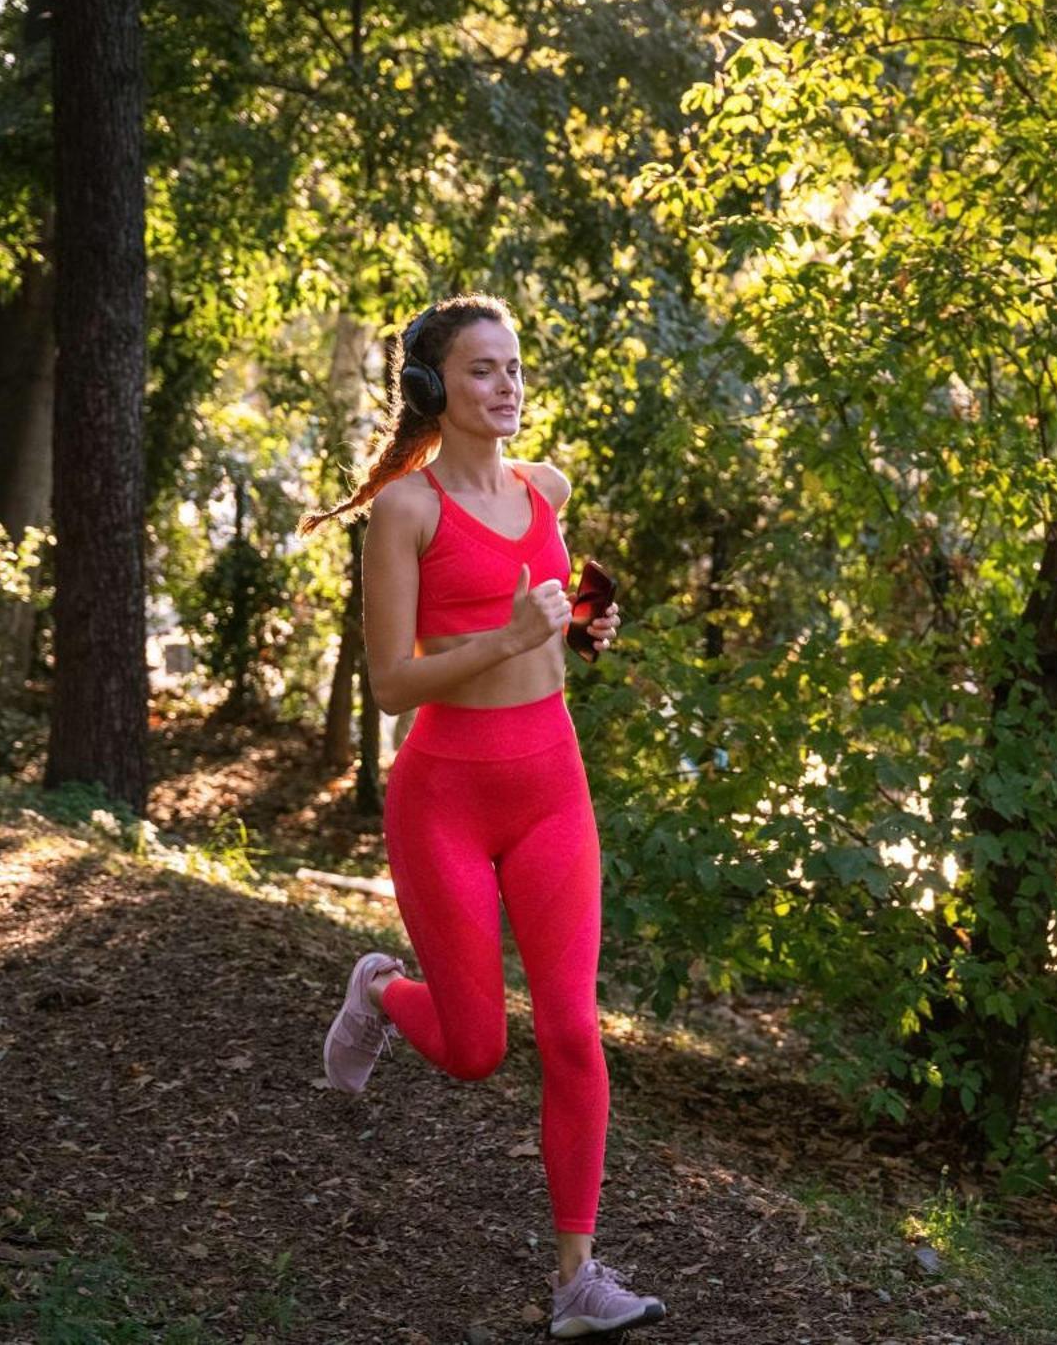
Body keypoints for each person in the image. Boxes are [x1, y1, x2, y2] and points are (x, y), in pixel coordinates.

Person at [298, 293, 665, 1338]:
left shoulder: (545, 487)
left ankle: (575, 1280)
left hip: (552, 788)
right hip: (445, 797)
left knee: (569, 1032)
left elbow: (540, 614)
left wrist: (579, 625)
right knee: (472, 1051)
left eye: (513, 369)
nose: (507, 387)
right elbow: (390, 684)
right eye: (482, 371)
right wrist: (509, 638)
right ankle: (378, 991)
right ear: (434, 388)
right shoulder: (404, 514)